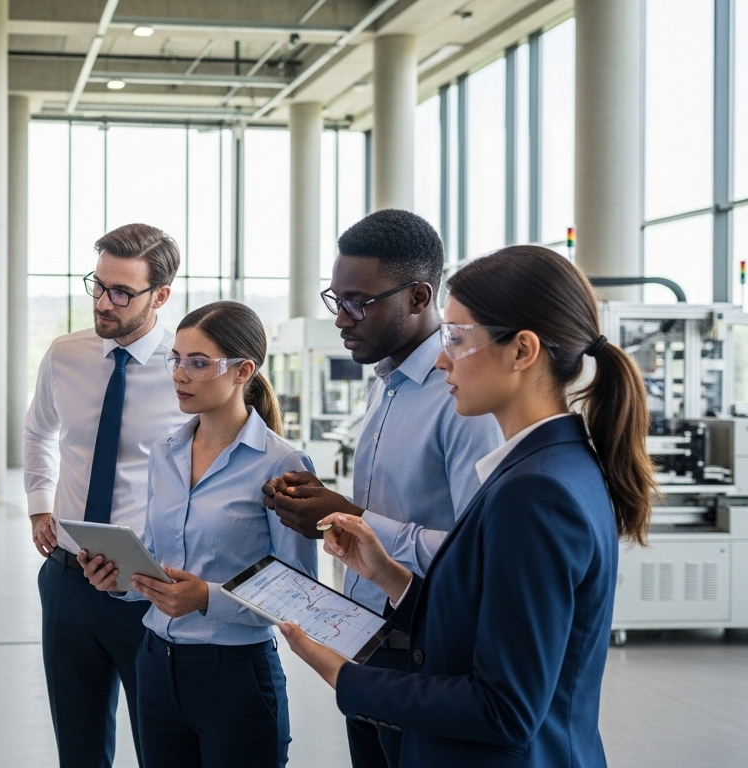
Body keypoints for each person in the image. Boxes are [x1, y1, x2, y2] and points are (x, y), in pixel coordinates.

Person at [281, 245, 656, 768]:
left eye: (457, 338)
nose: (440, 356)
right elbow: (492, 623)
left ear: (522, 351)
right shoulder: (552, 464)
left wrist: (345, 677)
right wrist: (392, 576)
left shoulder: (536, 493)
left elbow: (503, 707)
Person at [261, 209, 503, 767]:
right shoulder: (387, 383)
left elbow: (478, 555)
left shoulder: (459, 401)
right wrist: (323, 505)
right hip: (367, 639)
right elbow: (385, 506)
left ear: (419, 297)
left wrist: (354, 516)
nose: (343, 319)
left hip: (425, 645)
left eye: (359, 303)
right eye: (336, 299)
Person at [80, 301, 316, 768]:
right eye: (177, 359)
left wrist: (207, 597)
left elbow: (298, 593)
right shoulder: (164, 454)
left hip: (235, 677)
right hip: (156, 665)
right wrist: (120, 578)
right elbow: (159, 558)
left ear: (242, 370)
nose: (180, 375)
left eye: (198, 362)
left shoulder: (281, 464)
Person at [23, 223, 192, 768]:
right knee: (78, 749)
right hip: (68, 581)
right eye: (97, 285)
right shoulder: (66, 355)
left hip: (145, 590)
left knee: (158, 747)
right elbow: (38, 430)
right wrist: (39, 504)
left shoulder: (184, 370)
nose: (103, 302)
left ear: (160, 296)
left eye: (121, 292)